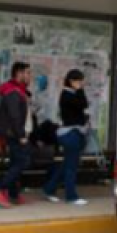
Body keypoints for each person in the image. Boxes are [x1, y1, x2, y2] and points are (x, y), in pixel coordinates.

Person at [0, 62, 34, 208]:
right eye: (28, 73)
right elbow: (15, 116)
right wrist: (21, 135)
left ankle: (13, 193)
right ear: (19, 74)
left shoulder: (19, 91)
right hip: (14, 134)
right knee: (22, 161)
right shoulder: (13, 92)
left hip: (15, 133)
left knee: (16, 162)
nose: (30, 76)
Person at [42, 69, 90, 206]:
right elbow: (82, 105)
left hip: (75, 132)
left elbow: (84, 104)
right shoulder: (66, 95)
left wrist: (79, 90)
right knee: (71, 167)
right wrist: (80, 90)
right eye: (78, 81)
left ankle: (49, 189)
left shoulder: (73, 93)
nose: (81, 83)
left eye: (81, 81)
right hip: (70, 133)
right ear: (71, 81)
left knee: (66, 165)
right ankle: (71, 196)